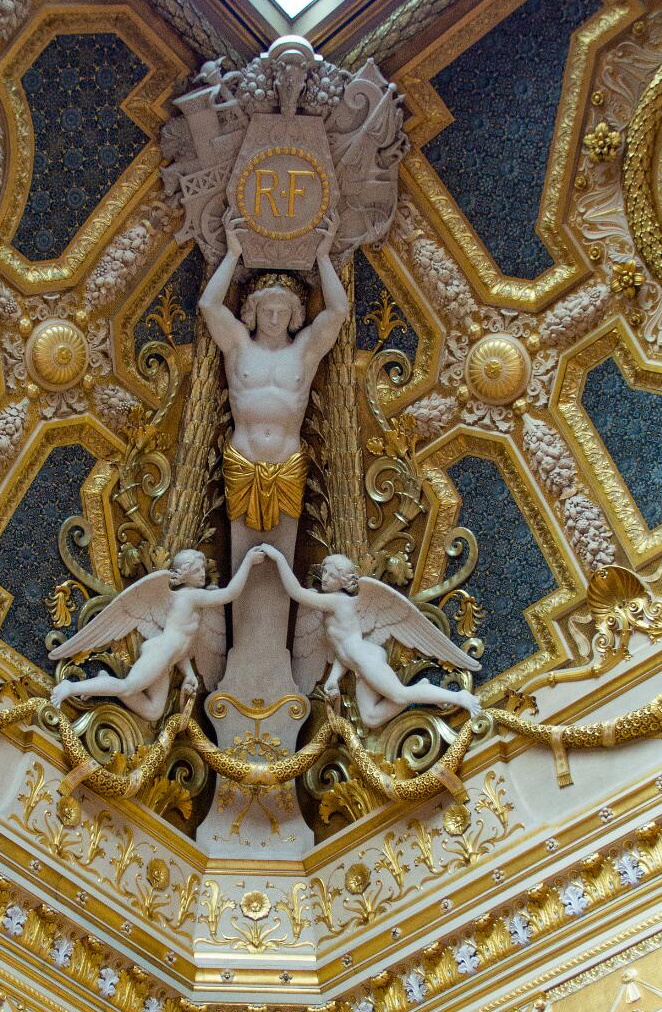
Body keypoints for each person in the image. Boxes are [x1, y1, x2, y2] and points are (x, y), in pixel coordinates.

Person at [197, 212, 349, 577]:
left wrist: (324, 257)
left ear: (295, 313)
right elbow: (209, 306)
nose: (275, 318)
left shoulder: (304, 352)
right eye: (268, 310)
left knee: (280, 564)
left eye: (283, 311)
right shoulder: (238, 346)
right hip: (242, 459)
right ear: (253, 310)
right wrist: (232, 254)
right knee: (242, 559)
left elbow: (338, 311)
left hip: (288, 462)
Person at [262, 546, 483, 728]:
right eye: (325, 572)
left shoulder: (338, 601)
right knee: (370, 718)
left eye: (332, 575)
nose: (325, 578)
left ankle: (458, 697)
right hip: (357, 663)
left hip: (365, 657)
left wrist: (279, 557)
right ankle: (420, 690)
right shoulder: (331, 609)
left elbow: (296, 592)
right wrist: (333, 679)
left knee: (399, 695)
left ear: (343, 581)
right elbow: (342, 649)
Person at [49, 546, 265, 719]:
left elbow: (181, 644)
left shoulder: (193, 603)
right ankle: (70, 687)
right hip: (160, 652)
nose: (203, 574)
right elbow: (231, 593)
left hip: (168, 657)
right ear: (185, 574)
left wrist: (189, 674)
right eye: (197, 570)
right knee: (128, 687)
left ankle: (104, 682)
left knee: (154, 712)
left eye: (203, 570)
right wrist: (248, 561)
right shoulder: (190, 596)